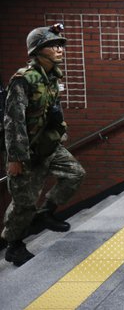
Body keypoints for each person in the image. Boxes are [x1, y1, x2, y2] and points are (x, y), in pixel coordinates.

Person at [2, 24, 86, 266]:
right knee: (23, 202)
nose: (59, 49)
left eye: (60, 44)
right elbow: (13, 121)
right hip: (26, 151)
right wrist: (15, 158)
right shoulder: (23, 79)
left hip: (48, 145)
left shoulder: (52, 76)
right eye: (53, 45)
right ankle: (13, 245)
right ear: (38, 50)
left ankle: (46, 213)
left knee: (75, 174)